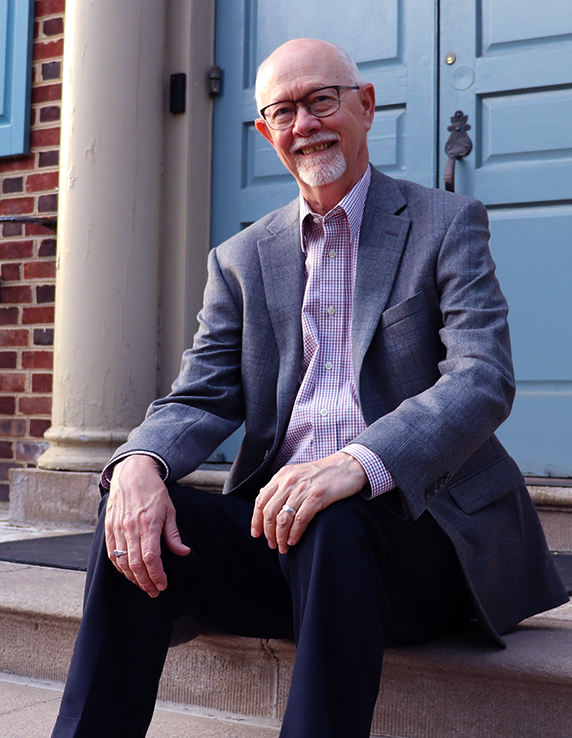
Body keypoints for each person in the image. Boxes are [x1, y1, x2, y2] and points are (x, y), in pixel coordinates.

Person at [51, 39, 566, 738]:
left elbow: (481, 379)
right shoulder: (240, 260)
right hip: (290, 545)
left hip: (420, 547)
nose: (306, 124)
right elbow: (198, 395)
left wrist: (355, 464)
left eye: (322, 101)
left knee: (334, 513)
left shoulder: (445, 225)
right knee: (135, 504)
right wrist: (138, 465)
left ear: (365, 106)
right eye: (284, 112)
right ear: (265, 132)